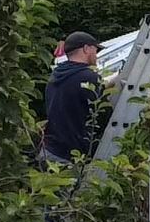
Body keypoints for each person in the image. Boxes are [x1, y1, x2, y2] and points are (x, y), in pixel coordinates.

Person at [42, 31, 118, 165]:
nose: (96, 56)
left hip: (49, 151)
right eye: (95, 50)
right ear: (86, 48)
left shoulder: (56, 75)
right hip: (70, 157)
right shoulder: (89, 77)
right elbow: (105, 116)